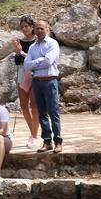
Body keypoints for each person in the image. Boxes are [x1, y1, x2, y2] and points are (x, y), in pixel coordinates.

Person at [24, 18, 62, 152]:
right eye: (37, 28)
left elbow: (48, 61)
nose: (39, 31)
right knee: (42, 113)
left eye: (42, 28)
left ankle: (58, 141)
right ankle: (47, 142)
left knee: (53, 112)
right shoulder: (32, 47)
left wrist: (35, 62)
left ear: (47, 29)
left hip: (50, 80)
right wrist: (39, 61)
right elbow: (26, 65)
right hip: (37, 82)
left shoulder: (52, 44)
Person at [11, 15, 41, 149]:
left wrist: (22, 53)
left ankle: (36, 135)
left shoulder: (38, 41)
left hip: (35, 74)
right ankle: (32, 133)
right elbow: (17, 62)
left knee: (34, 105)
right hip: (22, 73)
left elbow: (36, 58)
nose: (24, 29)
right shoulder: (20, 42)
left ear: (32, 26)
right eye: (22, 27)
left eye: (27, 26)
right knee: (24, 105)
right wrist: (17, 52)